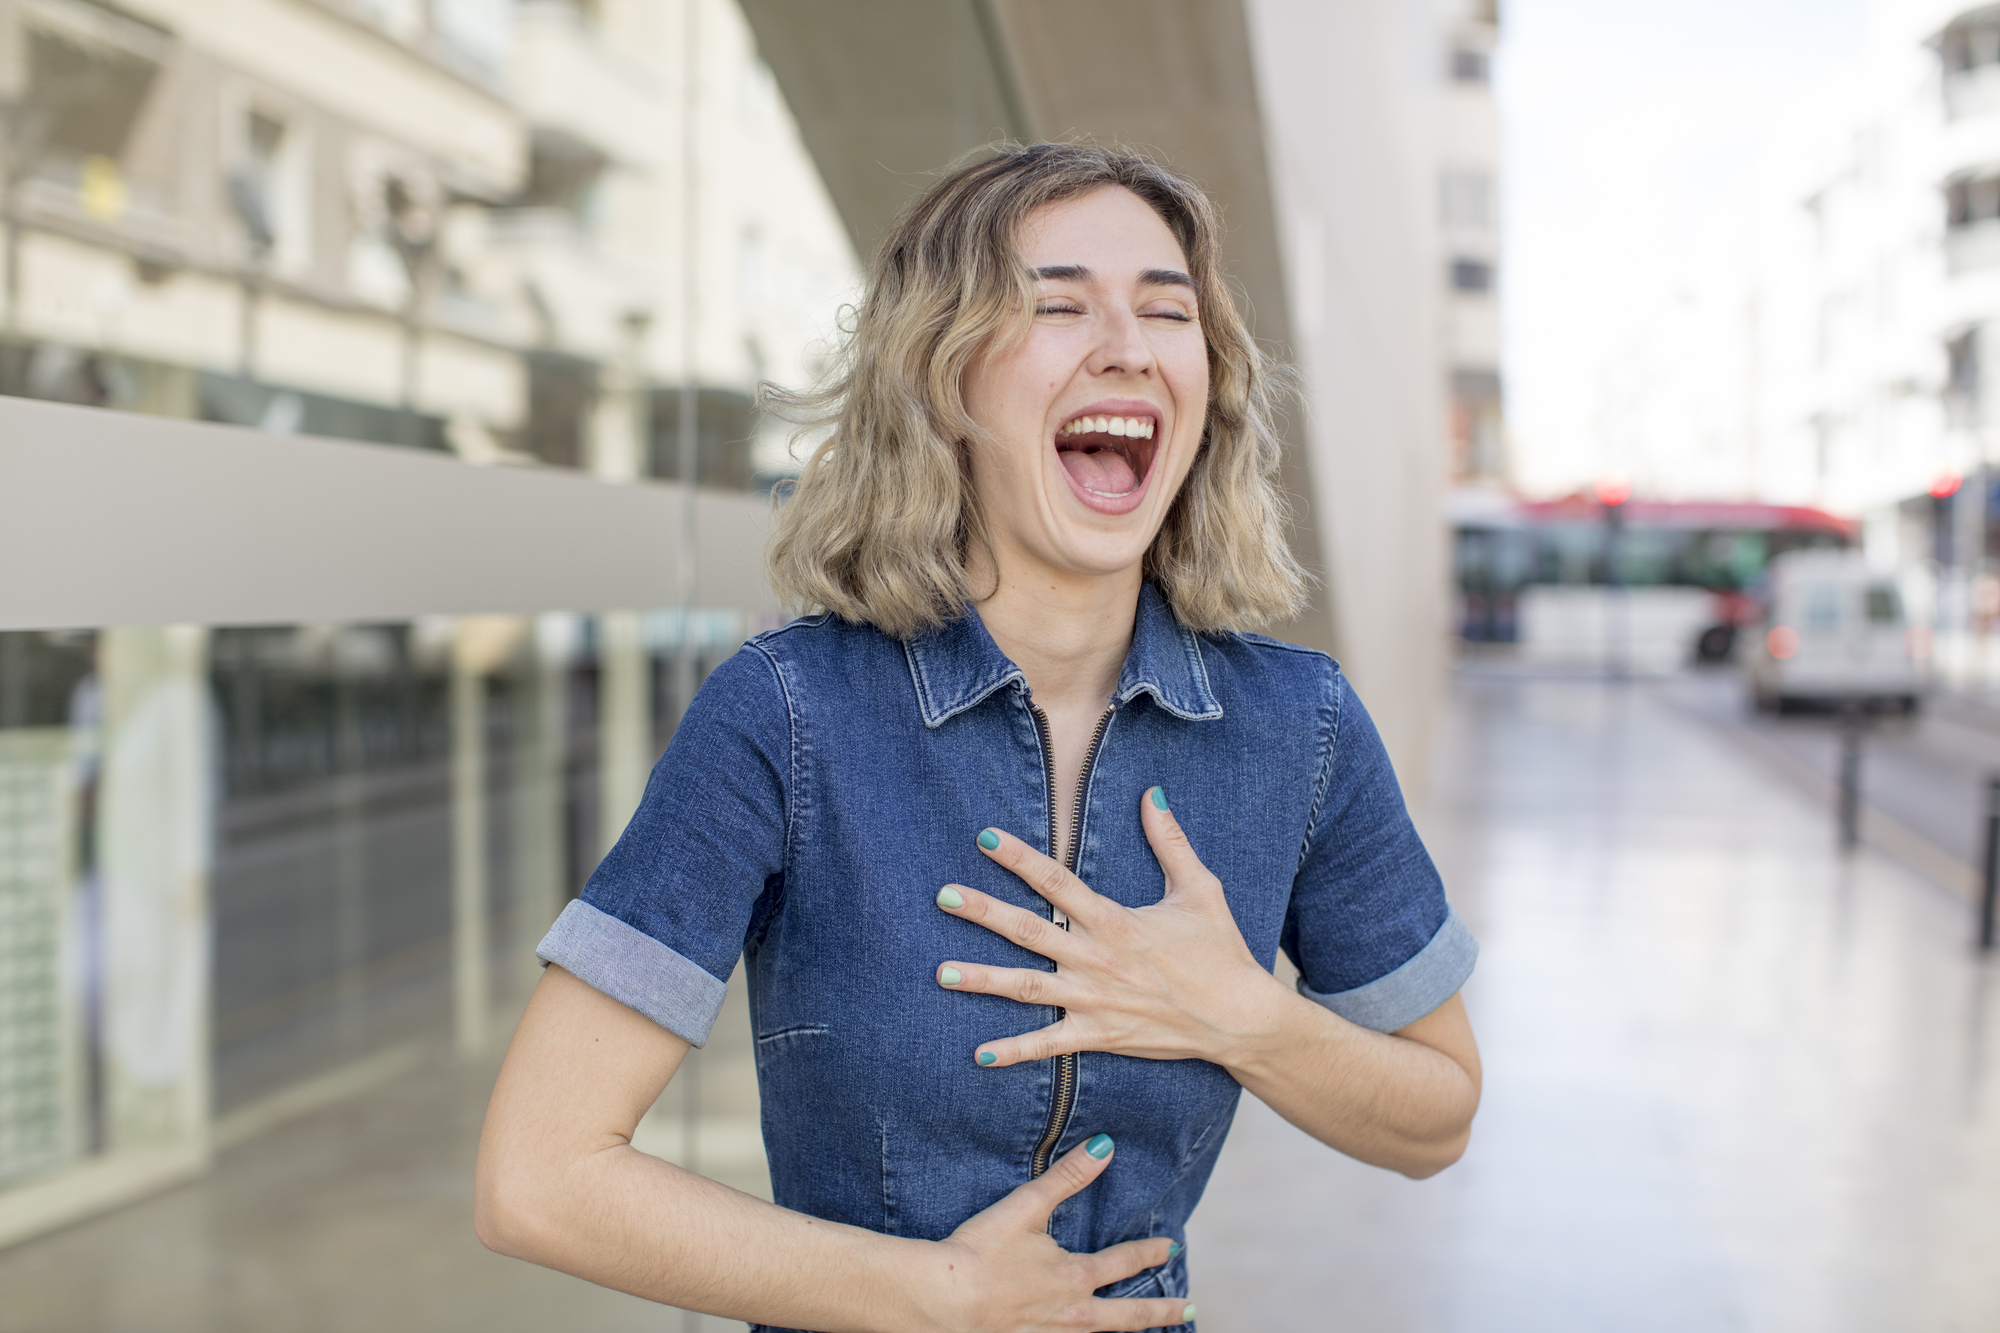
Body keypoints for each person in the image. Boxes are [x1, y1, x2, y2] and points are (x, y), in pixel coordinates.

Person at [475, 141, 1481, 1333]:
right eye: (1057, 305)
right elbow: (537, 1177)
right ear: (942, 377)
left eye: (1167, 313)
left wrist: (1242, 1014)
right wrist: (931, 1293)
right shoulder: (788, 713)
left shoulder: (1299, 727)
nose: (1126, 345)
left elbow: (1435, 1117)